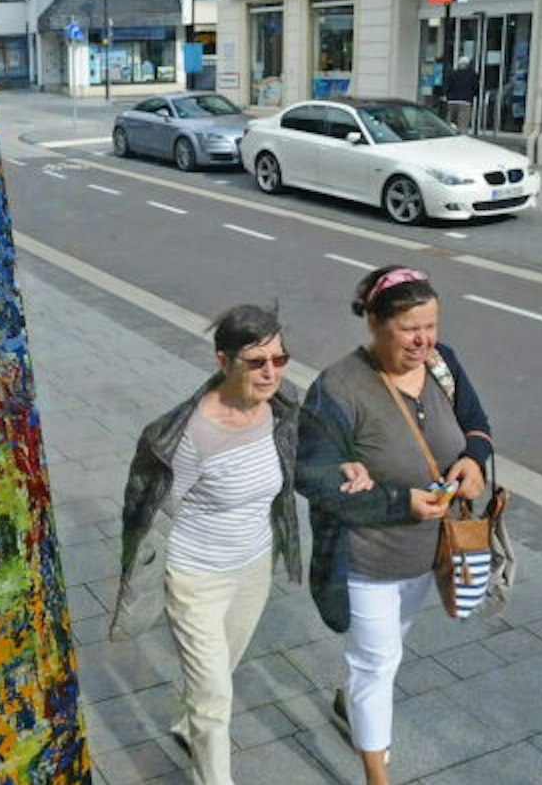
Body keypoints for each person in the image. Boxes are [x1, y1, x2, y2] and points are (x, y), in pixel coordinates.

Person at [110, 304, 370, 785]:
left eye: (279, 358)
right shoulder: (189, 436)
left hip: (253, 568)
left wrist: (341, 464)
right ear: (223, 362)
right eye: (256, 362)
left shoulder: (281, 407)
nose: (271, 372)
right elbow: (155, 511)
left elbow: (304, 455)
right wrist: (142, 578)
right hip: (196, 578)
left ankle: (186, 725)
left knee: (220, 672)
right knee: (215, 698)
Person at [295, 266, 493, 785]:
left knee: (387, 651)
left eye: (430, 326)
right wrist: (397, 502)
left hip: (427, 556)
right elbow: (310, 475)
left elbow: (477, 424)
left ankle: (353, 704)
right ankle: (376, 775)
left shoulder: (443, 364)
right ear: (375, 324)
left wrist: (473, 460)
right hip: (366, 560)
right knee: (377, 663)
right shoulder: (337, 388)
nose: (423, 341)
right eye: (409, 329)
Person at [443, 57, 477, 133]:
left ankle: (449, 134)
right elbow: (475, 88)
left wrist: (447, 96)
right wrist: (471, 95)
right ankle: (461, 136)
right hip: (465, 101)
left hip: (452, 101)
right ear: (467, 65)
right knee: (463, 123)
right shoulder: (472, 75)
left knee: (450, 122)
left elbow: (447, 86)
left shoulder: (453, 74)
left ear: (459, 64)